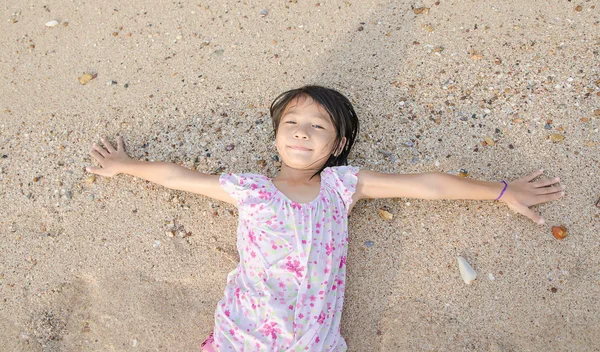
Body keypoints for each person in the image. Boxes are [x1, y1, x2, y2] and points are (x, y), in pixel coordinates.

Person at [86, 85, 564, 351]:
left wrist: (501, 191)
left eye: (317, 126)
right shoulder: (249, 189)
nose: (300, 133)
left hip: (314, 342)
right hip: (242, 335)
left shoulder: (341, 187)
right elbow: (178, 177)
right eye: (291, 124)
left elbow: (428, 184)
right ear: (276, 138)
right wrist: (124, 165)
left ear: (336, 145)